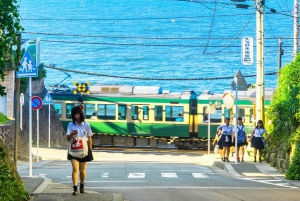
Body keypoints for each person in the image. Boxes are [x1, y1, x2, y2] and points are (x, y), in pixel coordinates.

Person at [66, 106, 94, 195]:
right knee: (75, 169)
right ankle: (75, 189)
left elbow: (89, 137)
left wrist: (90, 149)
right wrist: (71, 134)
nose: (76, 116)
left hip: (84, 150)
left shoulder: (86, 125)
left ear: (80, 114)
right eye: (74, 114)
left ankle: (82, 185)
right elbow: (67, 138)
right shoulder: (70, 125)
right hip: (74, 149)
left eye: (77, 114)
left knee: (82, 170)